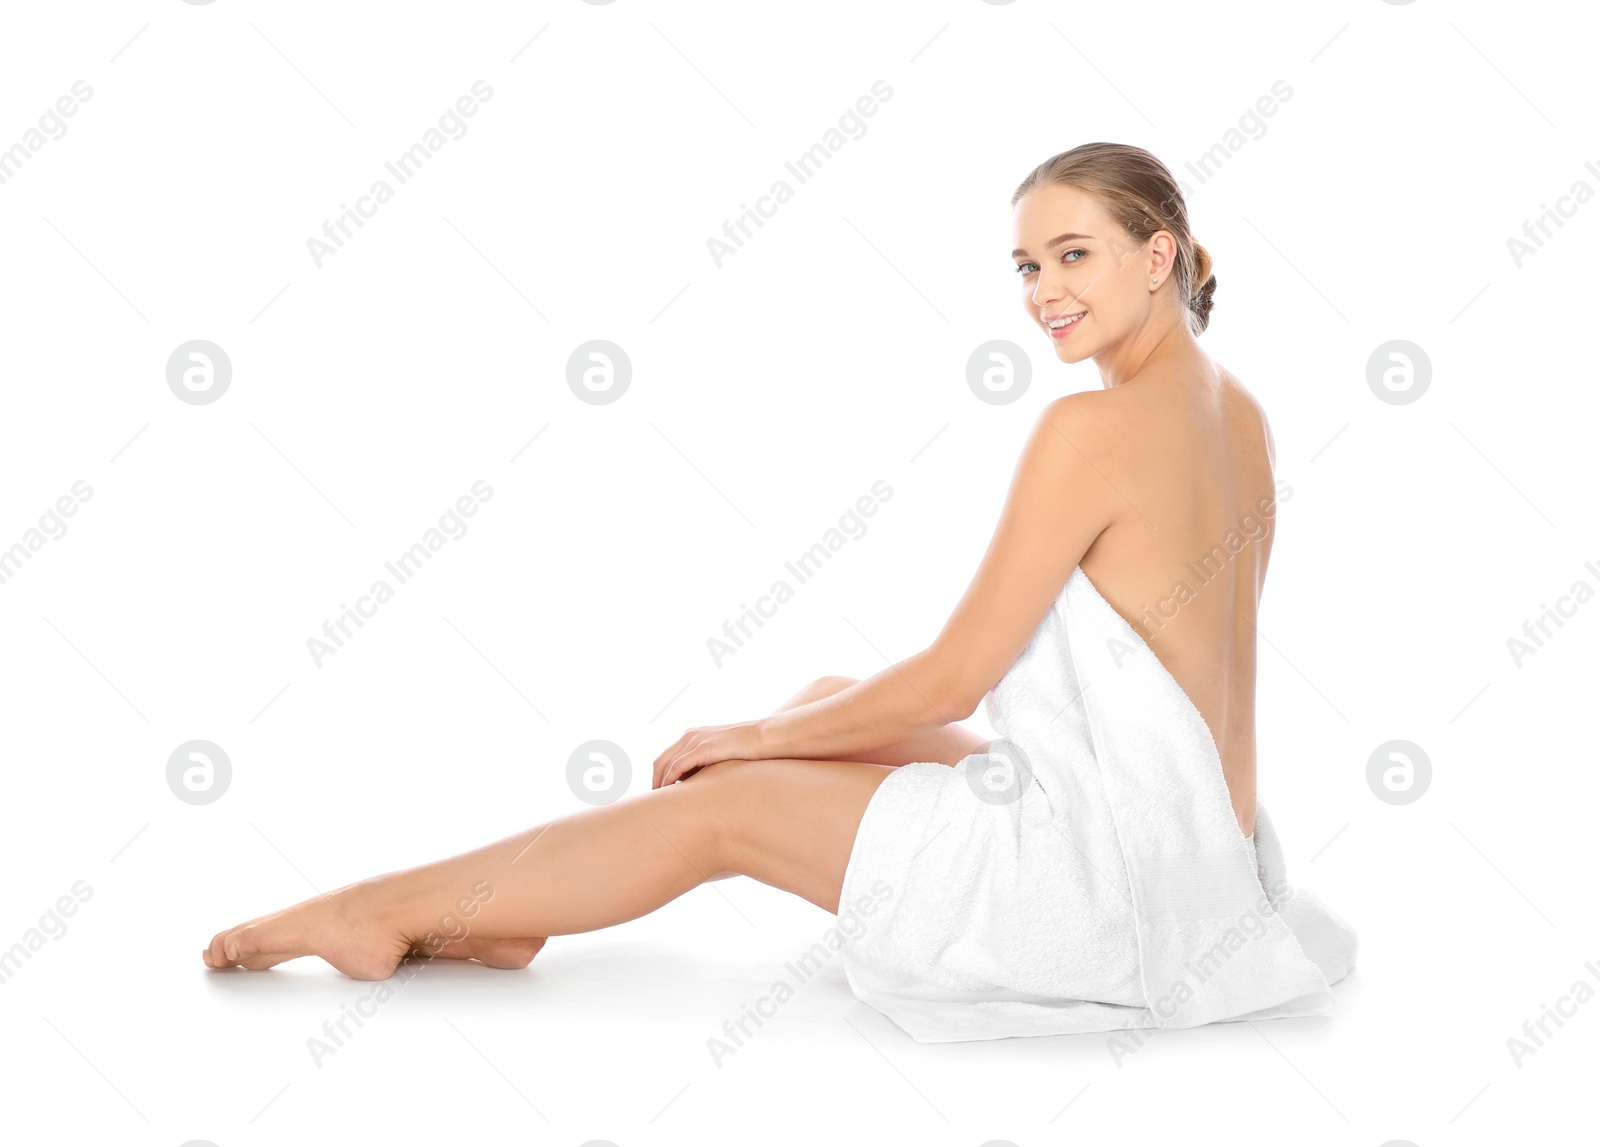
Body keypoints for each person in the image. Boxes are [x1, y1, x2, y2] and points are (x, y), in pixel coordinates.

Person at [200, 142, 1297, 1006]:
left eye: (1073, 254)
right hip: (1212, 866)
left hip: (1110, 901)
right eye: (1025, 264)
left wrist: (749, 740)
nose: (1041, 291)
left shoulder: (1088, 430)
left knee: (724, 802)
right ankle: (503, 902)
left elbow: (954, 681)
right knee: (825, 698)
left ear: (1157, 257)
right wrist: (780, 732)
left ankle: (379, 908)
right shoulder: (1235, 408)